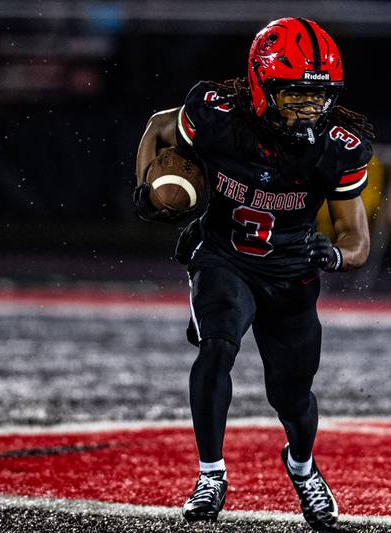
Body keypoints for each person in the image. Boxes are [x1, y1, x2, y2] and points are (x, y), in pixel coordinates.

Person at [132, 17, 373, 531]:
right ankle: (210, 474)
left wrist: (333, 256)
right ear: (261, 83)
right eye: (295, 95)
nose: (309, 108)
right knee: (218, 345)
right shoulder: (217, 114)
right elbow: (158, 124)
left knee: (292, 396)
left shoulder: (338, 145)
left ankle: (303, 465)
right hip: (225, 256)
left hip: (290, 271)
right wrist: (147, 191)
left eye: (319, 96)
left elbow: (357, 241)